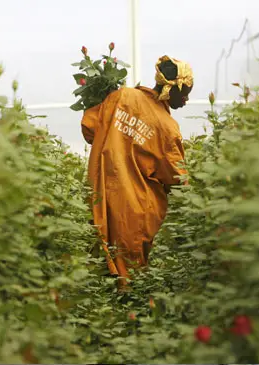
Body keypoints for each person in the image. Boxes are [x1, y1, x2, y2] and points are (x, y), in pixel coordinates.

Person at [81, 55, 193, 288]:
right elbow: (177, 178)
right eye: (185, 93)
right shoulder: (167, 127)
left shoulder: (122, 95)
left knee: (99, 254)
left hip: (103, 190)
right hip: (137, 204)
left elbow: (89, 127)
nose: (186, 99)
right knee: (132, 268)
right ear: (171, 90)